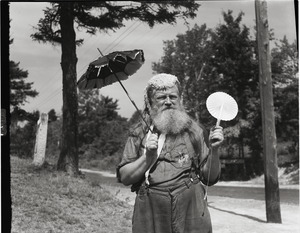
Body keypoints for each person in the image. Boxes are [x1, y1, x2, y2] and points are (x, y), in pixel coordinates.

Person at [116, 73, 224, 233]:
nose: (168, 101)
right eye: (161, 97)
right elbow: (125, 177)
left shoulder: (195, 130)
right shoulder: (139, 132)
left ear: (180, 99)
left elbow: (210, 178)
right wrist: (148, 158)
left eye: (173, 96)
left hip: (190, 208)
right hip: (152, 208)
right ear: (150, 102)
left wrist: (215, 151)